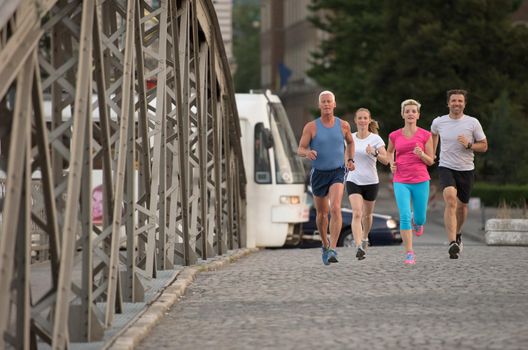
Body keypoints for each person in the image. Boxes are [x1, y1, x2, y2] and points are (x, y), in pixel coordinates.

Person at [298, 91, 355, 265]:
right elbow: (300, 148)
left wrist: (350, 159)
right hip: (319, 174)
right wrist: (308, 152)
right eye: (323, 102)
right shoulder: (311, 127)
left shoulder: (343, 125)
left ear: (334, 104)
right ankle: (325, 243)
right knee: (322, 214)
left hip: (338, 171)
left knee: (335, 208)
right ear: (319, 105)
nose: (326, 104)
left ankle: (333, 249)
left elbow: (351, 142)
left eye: (329, 101)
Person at [431, 89, 488, 259]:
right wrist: (433, 153)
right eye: (454, 100)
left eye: (460, 101)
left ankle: (458, 234)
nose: (457, 103)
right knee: (450, 198)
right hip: (446, 166)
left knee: (462, 207)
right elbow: (433, 135)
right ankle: (452, 243)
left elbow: (484, 146)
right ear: (448, 103)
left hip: (466, 169)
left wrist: (469, 145)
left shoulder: (473, 123)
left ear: (464, 104)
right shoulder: (439, 122)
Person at [387, 99, 435, 265]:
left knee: (420, 218)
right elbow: (389, 152)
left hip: (421, 179)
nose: (410, 114)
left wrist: (421, 154)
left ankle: (418, 220)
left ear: (418, 115)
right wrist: (391, 163)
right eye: (407, 111)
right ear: (402, 114)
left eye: (413, 111)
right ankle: (409, 253)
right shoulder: (394, 135)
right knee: (405, 216)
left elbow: (431, 161)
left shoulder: (425, 135)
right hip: (401, 180)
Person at [345, 108, 389, 260]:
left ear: (369, 120)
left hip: (371, 181)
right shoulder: (350, 138)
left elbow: (386, 159)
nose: (362, 121)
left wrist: (374, 153)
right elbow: (346, 156)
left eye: (365, 118)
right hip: (353, 179)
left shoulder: (376, 139)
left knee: (367, 215)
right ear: (355, 121)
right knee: (357, 213)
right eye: (360, 118)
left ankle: (364, 238)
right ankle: (358, 246)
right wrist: (348, 164)